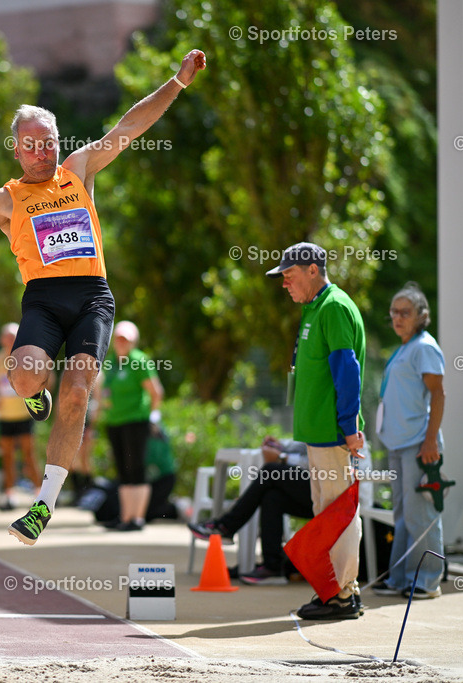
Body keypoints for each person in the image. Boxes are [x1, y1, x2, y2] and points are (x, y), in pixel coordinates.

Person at [0, 49, 206, 545]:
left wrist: (177, 82)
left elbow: (130, 126)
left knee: (79, 388)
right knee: (21, 375)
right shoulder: (2, 201)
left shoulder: (79, 170)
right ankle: (35, 394)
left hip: (91, 296)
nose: (43, 152)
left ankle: (45, 501)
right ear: (16, 150)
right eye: (32, 146)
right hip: (42, 299)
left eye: (50, 144)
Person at [268, 242, 366, 620]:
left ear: (312, 269)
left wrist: (348, 428)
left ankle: (342, 596)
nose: (284, 284)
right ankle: (334, 591)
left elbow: (347, 370)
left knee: (337, 513)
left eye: (288, 276)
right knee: (326, 512)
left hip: (333, 434)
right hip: (319, 433)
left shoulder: (334, 307)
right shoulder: (316, 307)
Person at [371, 283, 445, 600]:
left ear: (421, 316)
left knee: (420, 515)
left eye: (405, 312)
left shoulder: (425, 347)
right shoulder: (404, 348)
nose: (398, 317)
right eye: (394, 312)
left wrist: (430, 442)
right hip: (399, 445)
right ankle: (399, 578)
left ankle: (428, 581)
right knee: (402, 515)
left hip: (419, 445)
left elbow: (439, 395)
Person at [188, 436, 313, 585]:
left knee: (270, 470)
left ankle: (225, 526)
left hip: (333, 492)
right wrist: (281, 446)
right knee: (272, 497)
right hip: (313, 488)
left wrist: (283, 457)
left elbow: (324, 460)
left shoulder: (333, 416)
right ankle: (272, 566)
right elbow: (304, 445)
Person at [99, 321, 164, 531]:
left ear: (133, 341)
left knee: (136, 468)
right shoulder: (111, 362)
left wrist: (153, 416)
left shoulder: (139, 360)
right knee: (123, 470)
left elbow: (156, 392)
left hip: (136, 421)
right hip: (114, 421)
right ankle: (125, 517)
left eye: (125, 339)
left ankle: (137, 518)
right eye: (118, 338)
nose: (120, 343)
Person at [0, 322, 39, 509]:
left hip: (25, 414)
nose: (11, 340)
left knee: (29, 455)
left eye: (14, 336)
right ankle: (10, 494)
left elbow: (46, 376)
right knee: (8, 456)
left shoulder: (26, 357)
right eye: (8, 336)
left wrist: (37, 395)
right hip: (5, 415)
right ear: (2, 339)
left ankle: (40, 493)